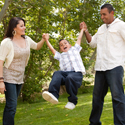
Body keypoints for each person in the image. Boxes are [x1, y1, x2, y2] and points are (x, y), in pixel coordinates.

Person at [80, 3, 125, 125]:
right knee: (97, 98)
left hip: (115, 66)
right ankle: (94, 123)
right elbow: (92, 43)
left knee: (118, 98)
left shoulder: (121, 26)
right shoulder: (101, 28)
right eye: (101, 15)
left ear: (112, 13)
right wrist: (85, 31)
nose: (102, 17)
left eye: (104, 14)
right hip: (100, 68)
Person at [0, 17, 45, 125]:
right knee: (12, 106)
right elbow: (0, 61)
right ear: (14, 28)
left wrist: (43, 39)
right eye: (21, 25)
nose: (24, 27)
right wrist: (1, 81)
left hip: (20, 77)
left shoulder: (27, 39)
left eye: (24, 25)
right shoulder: (7, 42)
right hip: (8, 76)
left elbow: (37, 47)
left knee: (11, 106)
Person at [42, 28, 86, 110]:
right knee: (57, 73)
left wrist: (82, 30)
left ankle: (72, 101)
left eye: (65, 43)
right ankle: (53, 94)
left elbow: (79, 38)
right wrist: (46, 40)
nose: (63, 45)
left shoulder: (75, 49)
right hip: (66, 75)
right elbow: (52, 49)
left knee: (70, 77)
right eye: (61, 45)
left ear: (70, 45)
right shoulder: (60, 55)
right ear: (60, 49)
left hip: (77, 74)